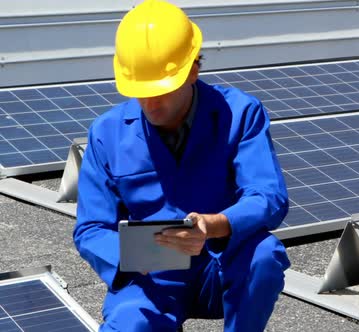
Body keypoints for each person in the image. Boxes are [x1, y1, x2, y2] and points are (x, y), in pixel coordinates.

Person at [72, 1, 290, 331]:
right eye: (140, 91)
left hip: (219, 266)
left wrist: (214, 225)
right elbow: (90, 229)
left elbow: (268, 197)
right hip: (149, 279)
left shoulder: (240, 114)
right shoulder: (107, 134)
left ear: (192, 71)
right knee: (128, 324)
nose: (149, 103)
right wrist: (131, 256)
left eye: (160, 90)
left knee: (264, 256)